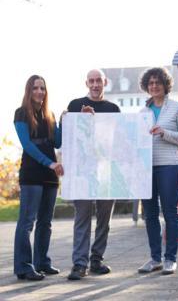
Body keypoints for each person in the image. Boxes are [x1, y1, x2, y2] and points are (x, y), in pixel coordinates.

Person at [66, 69, 120, 281]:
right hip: (83, 170)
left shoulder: (113, 108)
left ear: (105, 82)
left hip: (107, 170)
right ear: (86, 83)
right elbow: (70, 138)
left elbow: (118, 138)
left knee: (104, 219)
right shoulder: (74, 105)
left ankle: (96, 260)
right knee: (82, 218)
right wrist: (79, 118)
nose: (95, 84)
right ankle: (80, 264)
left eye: (99, 81)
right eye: (91, 81)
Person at [137, 67, 178, 275]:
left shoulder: (177, 108)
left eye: (157, 82)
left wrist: (164, 133)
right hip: (146, 168)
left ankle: (170, 259)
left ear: (165, 84)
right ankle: (155, 259)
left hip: (170, 165)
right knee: (149, 214)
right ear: (146, 86)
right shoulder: (142, 113)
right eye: (150, 83)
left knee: (170, 212)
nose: (154, 86)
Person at [14, 75, 63, 281]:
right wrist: (50, 163)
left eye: (42, 88)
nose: (39, 92)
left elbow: (58, 143)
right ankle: (23, 267)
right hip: (32, 174)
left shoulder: (49, 114)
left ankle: (42, 262)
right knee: (27, 222)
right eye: (35, 88)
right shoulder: (21, 113)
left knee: (46, 222)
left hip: (50, 176)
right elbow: (28, 145)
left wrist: (62, 119)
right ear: (29, 90)